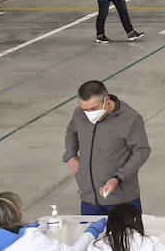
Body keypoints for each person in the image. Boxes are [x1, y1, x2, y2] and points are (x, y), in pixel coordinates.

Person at [64, 80, 151, 215]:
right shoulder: (79, 114)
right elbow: (71, 131)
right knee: (90, 236)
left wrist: (118, 177)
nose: (88, 114)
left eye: (93, 109)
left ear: (107, 101)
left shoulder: (130, 119)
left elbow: (142, 151)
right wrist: (70, 155)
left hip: (122, 201)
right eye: (84, 109)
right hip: (89, 200)